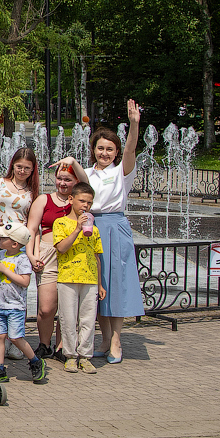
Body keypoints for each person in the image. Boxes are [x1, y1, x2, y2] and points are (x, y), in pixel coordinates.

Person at [84, 99, 145, 363]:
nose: (105, 153)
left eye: (110, 149)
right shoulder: (86, 173)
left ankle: (117, 339)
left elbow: (131, 149)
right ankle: (105, 338)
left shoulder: (122, 172)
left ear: (116, 151)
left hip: (114, 227)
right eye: (101, 148)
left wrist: (134, 124)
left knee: (116, 285)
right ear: (94, 150)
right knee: (97, 285)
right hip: (91, 227)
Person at [25, 162, 85, 359]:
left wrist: (73, 162)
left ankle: (62, 346)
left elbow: (87, 184)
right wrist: (32, 255)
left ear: (75, 181)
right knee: (46, 307)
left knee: (68, 306)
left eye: (68, 179)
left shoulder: (77, 201)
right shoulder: (44, 199)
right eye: (59, 178)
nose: (62, 183)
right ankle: (44, 343)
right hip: (48, 252)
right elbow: (32, 230)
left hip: (72, 252)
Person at [54, 183, 106, 374]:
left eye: (89, 203)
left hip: (90, 278)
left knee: (88, 319)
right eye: (82, 201)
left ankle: (85, 356)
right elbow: (61, 248)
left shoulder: (95, 229)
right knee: (68, 318)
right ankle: (69, 355)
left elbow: (97, 256)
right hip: (67, 277)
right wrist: (77, 229)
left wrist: (100, 283)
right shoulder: (60, 223)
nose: (85, 205)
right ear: (71, 200)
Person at [0, 220, 47, 383]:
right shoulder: (0, 255)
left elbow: (25, 281)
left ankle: (35, 361)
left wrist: (4, 270)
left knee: (15, 338)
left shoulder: (22, 259)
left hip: (15, 306)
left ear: (14, 244)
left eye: (3, 238)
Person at [0, 147, 39, 226]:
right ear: (13, 165)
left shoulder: (32, 191)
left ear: (32, 169)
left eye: (27, 168)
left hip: (21, 235)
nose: (22, 171)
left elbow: (34, 222)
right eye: (19, 167)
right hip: (1, 233)